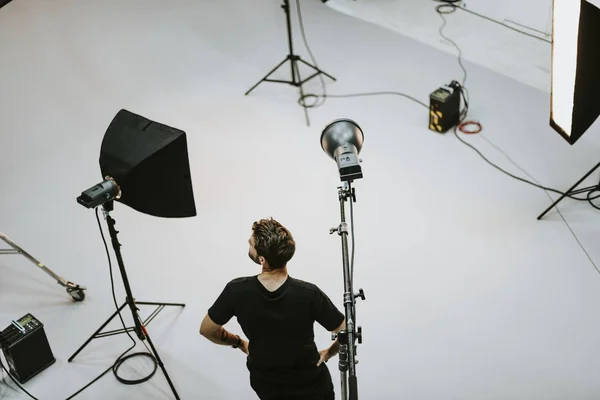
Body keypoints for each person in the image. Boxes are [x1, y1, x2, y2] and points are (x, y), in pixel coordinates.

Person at [199, 217, 346, 400]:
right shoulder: (308, 293)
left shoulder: (236, 290)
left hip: (268, 386)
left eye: (251, 243)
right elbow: (345, 331)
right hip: (313, 385)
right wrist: (329, 352)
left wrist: (239, 342)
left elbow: (206, 329)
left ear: (262, 259)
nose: (248, 243)